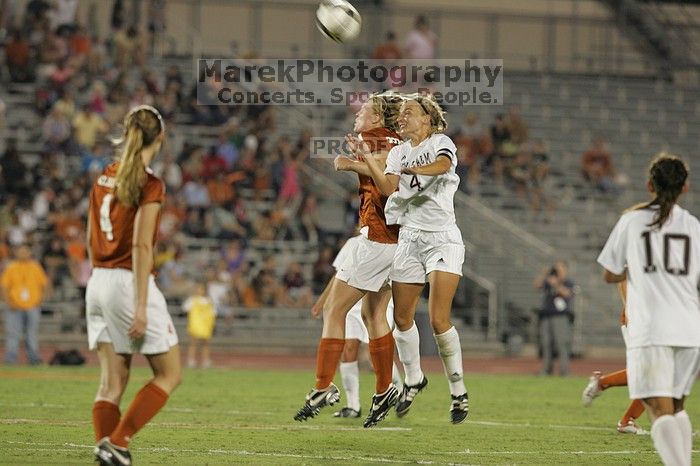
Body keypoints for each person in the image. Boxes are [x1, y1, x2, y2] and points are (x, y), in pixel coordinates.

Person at [349, 93, 469, 424]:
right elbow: (388, 187)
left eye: (410, 112)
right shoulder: (399, 151)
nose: (402, 117)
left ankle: (458, 391)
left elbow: (443, 164)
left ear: (427, 119)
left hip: (442, 239)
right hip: (410, 238)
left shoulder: (441, 142)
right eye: (400, 113)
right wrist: (367, 159)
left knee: (438, 319)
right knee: (401, 317)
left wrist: (409, 169)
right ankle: (414, 379)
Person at [294, 93, 403, 428]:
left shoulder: (374, 137)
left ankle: (323, 387)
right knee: (374, 315)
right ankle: (385, 388)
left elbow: (387, 179)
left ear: (377, 116)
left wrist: (350, 162)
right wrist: (357, 161)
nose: (358, 112)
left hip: (378, 238)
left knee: (334, 309)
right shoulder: (393, 140)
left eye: (365, 109)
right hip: (398, 241)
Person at [86, 105, 181, 466]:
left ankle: (105, 452)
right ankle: (119, 442)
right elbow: (142, 246)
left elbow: (89, 231)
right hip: (126, 281)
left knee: (112, 381)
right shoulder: (150, 182)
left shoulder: (103, 176)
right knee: (170, 373)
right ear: (161, 137)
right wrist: (140, 306)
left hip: (97, 279)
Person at [597, 153, 700, 466]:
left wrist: (638, 268)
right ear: (685, 188)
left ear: (649, 185)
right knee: (677, 408)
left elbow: (610, 273)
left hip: (653, 327)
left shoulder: (632, 219)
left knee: (659, 411)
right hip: (690, 328)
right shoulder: (693, 226)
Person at [311, 234, 402, 419]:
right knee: (348, 349)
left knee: (371, 352)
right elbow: (339, 274)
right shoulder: (353, 243)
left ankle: (399, 390)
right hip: (352, 305)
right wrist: (323, 300)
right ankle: (353, 406)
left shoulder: (387, 243)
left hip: (373, 299)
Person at [582, 281, 646, 434]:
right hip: (641, 320)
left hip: (662, 321)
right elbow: (622, 276)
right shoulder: (643, 257)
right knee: (654, 373)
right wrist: (631, 311)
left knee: (660, 372)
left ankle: (602, 384)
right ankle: (627, 419)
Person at [1, 244, 50, 365]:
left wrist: (41, 300)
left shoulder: (35, 267)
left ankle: (34, 358)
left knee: (32, 334)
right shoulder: (11, 267)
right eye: (20, 251)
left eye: (25, 251)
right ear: (16, 253)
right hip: (14, 307)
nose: (23, 254)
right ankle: (10, 359)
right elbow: (4, 287)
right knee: (13, 333)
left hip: (32, 306)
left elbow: (45, 285)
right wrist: (8, 302)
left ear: (29, 253)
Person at [533, 261, 575, 376]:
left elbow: (567, 294)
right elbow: (537, 286)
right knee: (546, 343)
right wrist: (544, 274)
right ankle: (546, 370)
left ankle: (564, 370)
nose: (557, 272)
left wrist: (556, 284)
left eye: (559, 270)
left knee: (561, 343)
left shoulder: (568, 282)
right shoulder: (549, 280)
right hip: (547, 315)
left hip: (561, 316)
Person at [183, 282, 216, 369]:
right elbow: (185, 308)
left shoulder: (209, 301)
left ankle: (205, 360)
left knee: (205, 343)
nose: (199, 290)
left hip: (205, 325)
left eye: (201, 288)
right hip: (196, 324)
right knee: (193, 342)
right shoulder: (192, 300)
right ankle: (191, 360)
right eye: (198, 288)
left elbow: (213, 313)